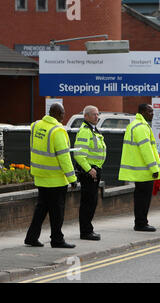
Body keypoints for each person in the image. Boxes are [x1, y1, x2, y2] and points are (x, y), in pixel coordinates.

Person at [24, 103, 77, 248]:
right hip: (56, 179)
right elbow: (64, 157)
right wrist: (72, 178)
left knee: (41, 209)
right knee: (57, 212)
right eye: (62, 113)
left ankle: (31, 237)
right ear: (56, 113)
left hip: (40, 176)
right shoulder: (57, 131)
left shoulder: (36, 126)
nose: (64, 116)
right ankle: (57, 240)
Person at [119, 104, 160, 232]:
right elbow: (146, 150)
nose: (153, 114)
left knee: (140, 198)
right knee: (143, 199)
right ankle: (141, 223)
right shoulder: (141, 127)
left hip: (139, 170)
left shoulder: (134, 125)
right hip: (144, 171)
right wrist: (154, 169)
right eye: (150, 111)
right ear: (143, 112)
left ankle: (140, 222)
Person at [73, 105, 106, 241]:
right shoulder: (85, 131)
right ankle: (86, 232)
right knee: (88, 203)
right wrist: (89, 169)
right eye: (93, 114)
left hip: (95, 170)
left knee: (92, 202)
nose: (96, 117)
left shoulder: (93, 130)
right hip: (89, 172)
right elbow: (79, 155)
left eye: (97, 114)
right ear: (85, 116)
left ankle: (88, 230)